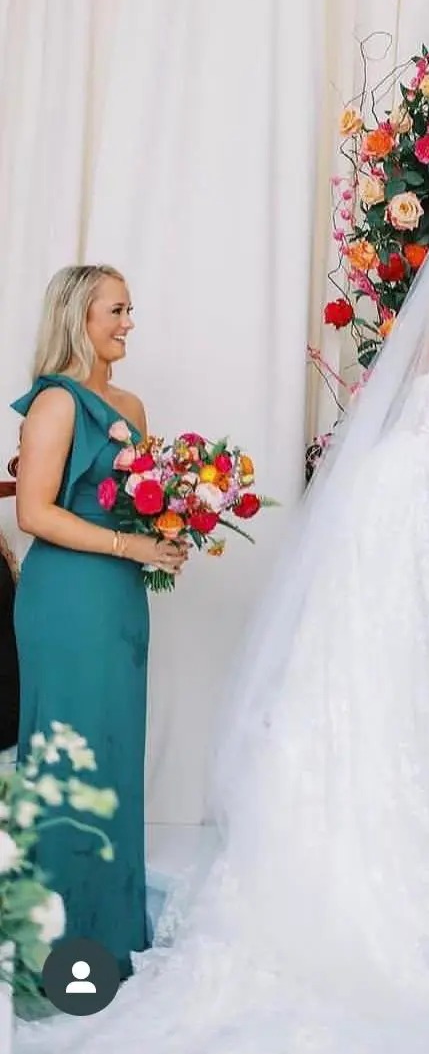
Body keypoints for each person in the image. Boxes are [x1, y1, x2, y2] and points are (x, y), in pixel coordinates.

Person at [16, 209, 429, 1054]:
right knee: (407, 661)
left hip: (392, 493)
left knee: (370, 662)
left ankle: (338, 821)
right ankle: (393, 836)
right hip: (408, 507)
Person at [12, 265, 187, 978]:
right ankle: (53, 943)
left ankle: (109, 936)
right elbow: (34, 512)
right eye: (116, 309)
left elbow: (136, 502)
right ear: (79, 316)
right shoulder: (56, 403)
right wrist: (131, 544)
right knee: (66, 759)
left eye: (130, 309)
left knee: (112, 754)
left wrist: (172, 531)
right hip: (67, 602)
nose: (128, 322)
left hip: (119, 599)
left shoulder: (132, 405)